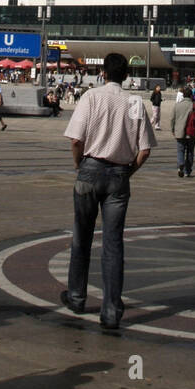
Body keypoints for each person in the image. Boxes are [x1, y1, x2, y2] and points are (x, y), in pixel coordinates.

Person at [60, 51, 154, 330]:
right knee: (113, 244)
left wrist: (80, 165)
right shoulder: (136, 102)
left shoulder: (91, 97)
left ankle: (76, 297)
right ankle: (111, 311)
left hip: (89, 169)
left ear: (102, 73)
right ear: (126, 76)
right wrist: (127, 171)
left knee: (82, 236)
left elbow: (76, 139)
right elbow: (145, 149)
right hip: (118, 176)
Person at [171, 89, 195, 178]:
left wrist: (173, 129)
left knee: (180, 150)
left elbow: (172, 119)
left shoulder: (177, 106)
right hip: (191, 133)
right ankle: (187, 171)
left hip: (179, 132)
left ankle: (180, 164)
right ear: (191, 96)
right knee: (190, 151)